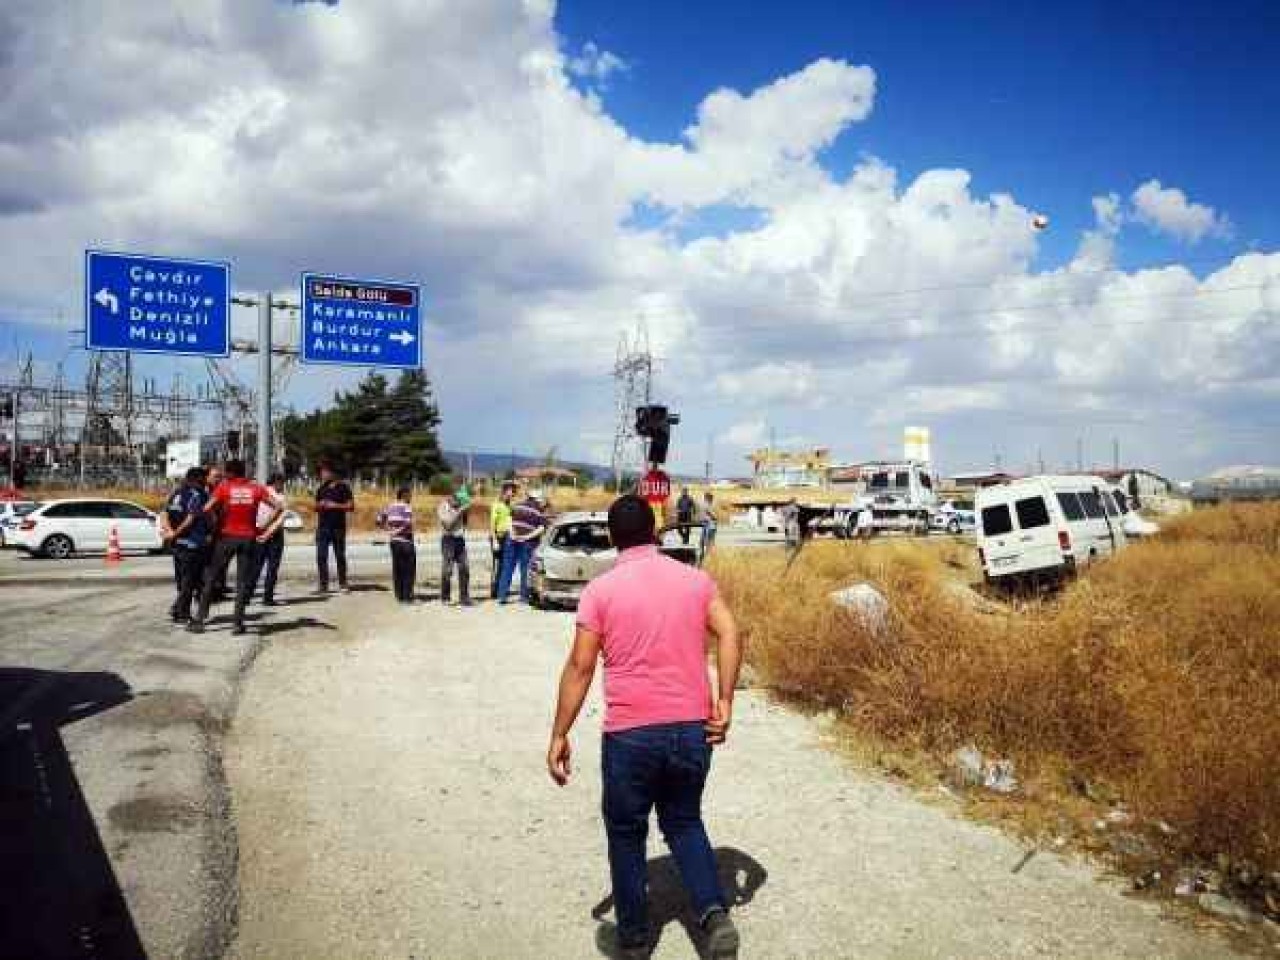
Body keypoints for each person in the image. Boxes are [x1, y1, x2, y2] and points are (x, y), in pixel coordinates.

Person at [547, 494, 743, 960]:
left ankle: (634, 940)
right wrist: (726, 700)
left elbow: (581, 665)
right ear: (655, 531)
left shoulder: (601, 591)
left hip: (631, 734)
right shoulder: (694, 581)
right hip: (692, 728)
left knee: (626, 831)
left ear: (612, 538)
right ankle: (715, 915)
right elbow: (731, 632)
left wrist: (560, 732)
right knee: (684, 820)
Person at [188, 460, 279, 635]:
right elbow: (278, 506)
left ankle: (200, 620)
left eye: (225, 472)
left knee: (211, 577)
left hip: (226, 537)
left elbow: (206, 509)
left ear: (230, 473)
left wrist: (215, 522)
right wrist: (263, 526)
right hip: (248, 538)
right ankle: (237, 624)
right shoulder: (257, 488)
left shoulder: (224, 487)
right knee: (242, 583)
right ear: (243, 472)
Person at [163, 467, 210, 624]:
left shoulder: (176, 493)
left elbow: (164, 514)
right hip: (192, 544)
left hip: (177, 545)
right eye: (204, 479)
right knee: (191, 581)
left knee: (184, 580)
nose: (205, 482)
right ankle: (183, 613)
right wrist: (175, 533)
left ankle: (177, 608)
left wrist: (170, 532)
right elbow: (190, 519)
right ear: (197, 480)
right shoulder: (198, 494)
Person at [498, 489, 547, 604]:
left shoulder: (517, 506)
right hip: (527, 542)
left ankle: (502, 596)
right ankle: (523, 597)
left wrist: (512, 534)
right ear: (537, 499)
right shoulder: (538, 510)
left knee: (507, 567)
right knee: (525, 569)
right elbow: (541, 528)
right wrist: (527, 536)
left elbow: (509, 520)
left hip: (512, 540)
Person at [314, 461, 354, 593]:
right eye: (321, 472)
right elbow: (315, 507)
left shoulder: (343, 487)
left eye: (325, 472)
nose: (322, 474)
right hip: (323, 527)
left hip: (338, 527)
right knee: (321, 556)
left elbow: (350, 506)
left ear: (332, 473)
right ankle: (323, 584)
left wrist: (334, 505)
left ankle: (343, 583)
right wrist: (320, 505)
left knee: (340, 556)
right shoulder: (321, 489)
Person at [249, 472, 288, 606]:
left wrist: (261, 531)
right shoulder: (278, 497)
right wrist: (266, 532)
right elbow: (279, 519)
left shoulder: (262, 493)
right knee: (269, 567)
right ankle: (267, 597)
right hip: (270, 534)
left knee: (257, 566)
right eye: (281, 482)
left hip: (262, 532)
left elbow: (255, 514)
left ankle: (248, 596)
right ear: (276, 482)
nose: (282, 485)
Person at [377, 486, 417, 603]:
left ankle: (399, 596)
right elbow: (408, 524)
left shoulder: (389, 506)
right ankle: (407, 596)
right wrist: (398, 531)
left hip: (394, 542)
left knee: (397, 569)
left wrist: (389, 530)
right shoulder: (406, 507)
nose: (411, 497)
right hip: (406, 540)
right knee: (409, 569)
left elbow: (378, 520)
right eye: (409, 495)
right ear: (404, 495)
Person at [437, 487, 471, 606]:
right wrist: (460, 512)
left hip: (460, 539)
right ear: (450, 497)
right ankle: (445, 597)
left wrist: (464, 512)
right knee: (447, 570)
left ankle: (464, 597)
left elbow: (465, 523)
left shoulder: (460, 505)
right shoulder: (443, 507)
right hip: (448, 539)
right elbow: (448, 525)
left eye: (460, 500)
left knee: (465, 569)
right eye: (456, 499)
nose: (458, 502)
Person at [489, 482, 516, 598]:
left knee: (505, 564)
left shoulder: (510, 506)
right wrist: (494, 539)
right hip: (497, 537)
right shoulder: (496, 505)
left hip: (507, 537)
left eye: (513, 492)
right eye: (510, 491)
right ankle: (494, 590)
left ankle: (501, 588)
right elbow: (492, 524)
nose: (512, 494)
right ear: (504, 492)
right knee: (497, 564)